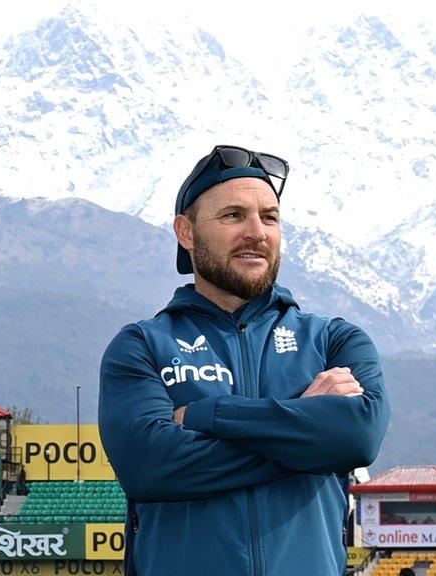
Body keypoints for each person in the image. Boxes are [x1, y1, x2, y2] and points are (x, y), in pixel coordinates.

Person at [98, 145, 390, 576]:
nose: (257, 231)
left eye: (270, 217)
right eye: (233, 215)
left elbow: (359, 438)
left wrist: (205, 413)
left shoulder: (335, 341)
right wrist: (307, 432)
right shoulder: (141, 345)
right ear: (187, 232)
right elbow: (150, 466)